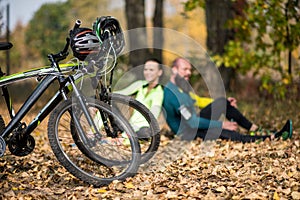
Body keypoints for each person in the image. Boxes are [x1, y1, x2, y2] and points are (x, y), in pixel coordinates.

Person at [163, 57, 292, 142]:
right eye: (185, 69)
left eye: (190, 70)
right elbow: (192, 122)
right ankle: (272, 137)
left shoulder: (181, 87)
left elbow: (198, 101)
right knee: (226, 133)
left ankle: (255, 129)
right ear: (174, 70)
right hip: (188, 133)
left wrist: (224, 102)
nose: (189, 73)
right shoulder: (172, 95)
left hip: (192, 123)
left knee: (222, 102)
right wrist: (221, 124)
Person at [115, 58, 164, 137]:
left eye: (151, 70)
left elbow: (154, 114)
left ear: (160, 72)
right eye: (145, 69)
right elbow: (119, 93)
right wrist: (99, 98)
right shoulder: (140, 84)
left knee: (144, 132)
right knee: (107, 102)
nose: (147, 73)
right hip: (129, 125)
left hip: (143, 128)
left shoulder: (159, 92)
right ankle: (92, 132)